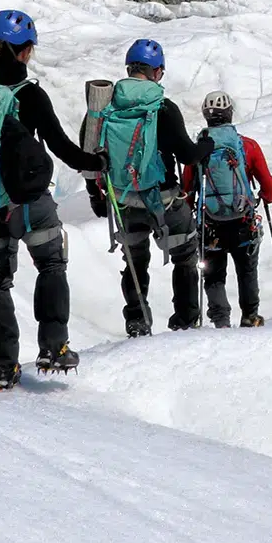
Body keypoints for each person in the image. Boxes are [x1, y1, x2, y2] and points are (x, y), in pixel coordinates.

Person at [0, 9, 101, 388]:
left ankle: (3, 367)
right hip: (30, 201)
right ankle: (53, 347)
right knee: (51, 264)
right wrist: (95, 163)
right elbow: (60, 147)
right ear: (23, 51)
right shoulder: (29, 94)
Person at [88, 39, 207, 335]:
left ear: (129, 68)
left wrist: (95, 194)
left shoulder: (106, 106)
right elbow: (188, 155)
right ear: (157, 72)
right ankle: (185, 320)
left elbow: (90, 151)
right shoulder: (162, 107)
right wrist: (206, 145)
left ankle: (137, 321)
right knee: (185, 254)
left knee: (134, 260)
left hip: (124, 199)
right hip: (164, 198)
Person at [186, 91, 272, 328]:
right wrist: (265, 196)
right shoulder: (246, 146)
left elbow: (187, 188)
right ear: (230, 114)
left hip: (210, 223)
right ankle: (250, 315)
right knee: (246, 268)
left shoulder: (198, 149)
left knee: (214, 273)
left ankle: (220, 319)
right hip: (242, 220)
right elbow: (267, 184)